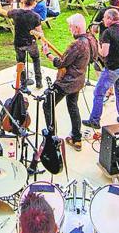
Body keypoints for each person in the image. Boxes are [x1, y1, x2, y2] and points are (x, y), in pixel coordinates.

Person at [40, 14, 98, 151]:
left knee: (48, 104)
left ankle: (51, 138)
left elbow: (60, 63)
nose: (69, 29)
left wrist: (48, 54)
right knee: (73, 106)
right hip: (79, 80)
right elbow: (92, 58)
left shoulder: (77, 44)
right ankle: (76, 139)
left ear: (77, 28)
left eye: (70, 27)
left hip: (66, 82)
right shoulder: (91, 39)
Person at [83, 9, 119, 128]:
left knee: (99, 93)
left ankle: (94, 120)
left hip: (112, 69)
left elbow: (104, 53)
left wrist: (97, 44)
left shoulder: (108, 33)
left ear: (110, 19)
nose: (103, 20)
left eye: (105, 18)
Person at [8, 0, 44, 89]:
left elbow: (6, 13)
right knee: (36, 60)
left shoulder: (15, 13)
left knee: (20, 62)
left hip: (19, 42)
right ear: (33, 3)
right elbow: (40, 33)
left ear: (23, 1)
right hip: (31, 42)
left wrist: (0, 8)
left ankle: (23, 84)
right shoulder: (36, 16)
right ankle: (39, 82)